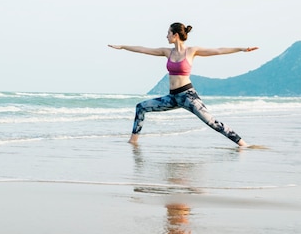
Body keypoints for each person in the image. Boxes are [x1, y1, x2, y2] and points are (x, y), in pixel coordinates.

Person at [108, 22, 258, 147]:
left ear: (175, 35)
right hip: (172, 98)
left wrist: (241, 49)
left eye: (168, 33)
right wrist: (122, 46)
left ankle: (243, 144)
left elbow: (218, 50)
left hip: (188, 96)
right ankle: (133, 141)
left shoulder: (192, 51)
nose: (166, 36)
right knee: (141, 107)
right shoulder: (167, 52)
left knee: (212, 122)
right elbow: (143, 49)